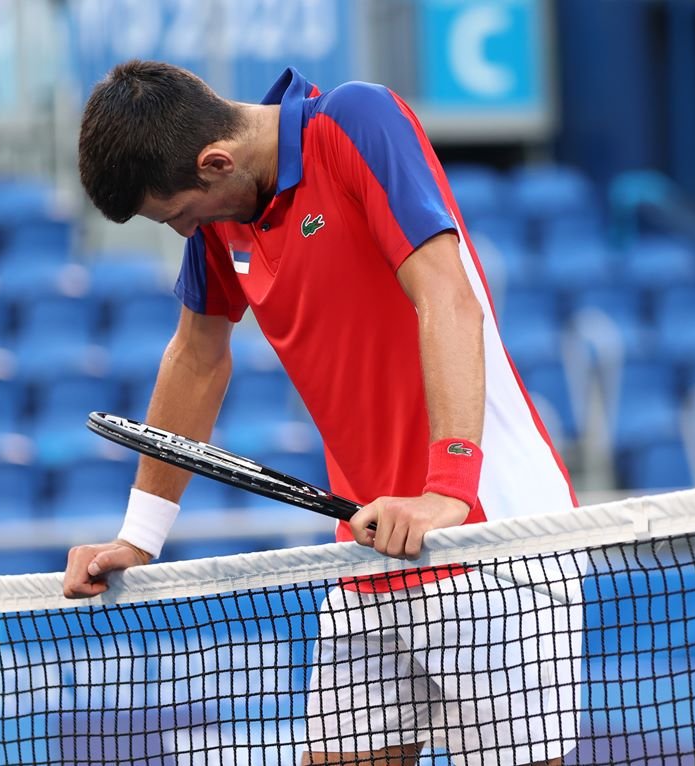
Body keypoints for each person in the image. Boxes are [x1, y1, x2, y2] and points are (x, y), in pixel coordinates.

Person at [63, 60, 584, 765]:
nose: (185, 233)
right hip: (373, 547)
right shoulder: (225, 216)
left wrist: (448, 491)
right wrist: (139, 536)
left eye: (179, 215)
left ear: (215, 162)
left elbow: (445, 293)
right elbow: (196, 356)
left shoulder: (356, 122)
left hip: (491, 541)